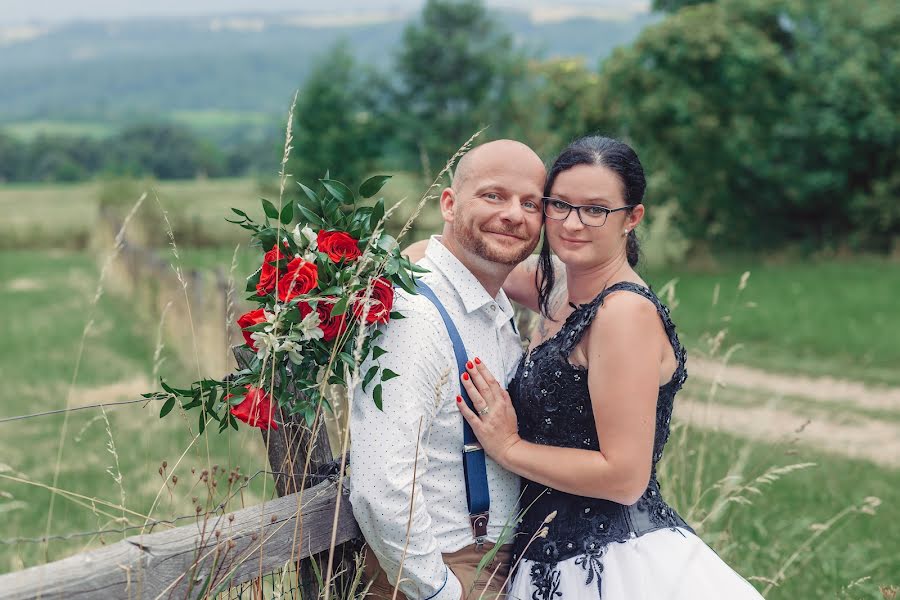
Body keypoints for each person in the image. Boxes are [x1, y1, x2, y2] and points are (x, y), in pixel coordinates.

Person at [454, 136, 765, 599]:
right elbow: (468, 260)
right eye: (560, 205)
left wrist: (509, 447)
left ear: (632, 219)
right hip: (543, 560)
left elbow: (624, 477)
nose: (573, 223)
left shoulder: (623, 314)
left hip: (610, 564)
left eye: (596, 209)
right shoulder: (560, 288)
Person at [350, 139, 547, 599]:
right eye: (494, 195)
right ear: (449, 204)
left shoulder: (492, 305)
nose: (514, 214)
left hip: (494, 563)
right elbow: (381, 483)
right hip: (445, 569)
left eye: (530, 203)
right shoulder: (414, 313)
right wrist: (439, 590)